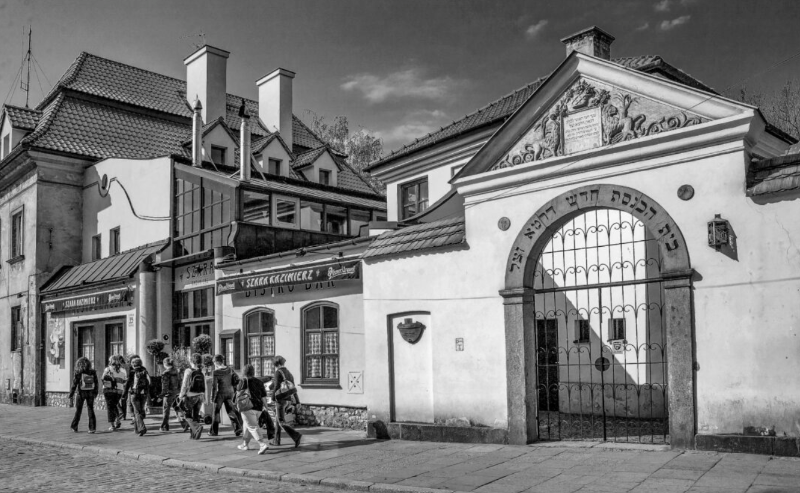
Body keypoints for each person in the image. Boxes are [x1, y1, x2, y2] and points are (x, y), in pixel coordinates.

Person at [235, 364, 270, 454]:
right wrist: (266, 407)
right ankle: (245, 444)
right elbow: (263, 396)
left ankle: (262, 444)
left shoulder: (243, 380)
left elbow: (238, 393)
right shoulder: (259, 382)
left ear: (244, 372)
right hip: (259, 407)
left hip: (247, 406)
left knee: (252, 426)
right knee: (247, 426)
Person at [271, 355, 302, 448]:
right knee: (277, 419)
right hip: (288, 399)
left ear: (275, 363)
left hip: (280, 399)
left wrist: (273, 397)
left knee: (281, 421)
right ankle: (276, 441)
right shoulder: (288, 373)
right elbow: (293, 388)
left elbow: (276, 386)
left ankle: (296, 436)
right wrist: (297, 401)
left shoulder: (278, 372)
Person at [209, 354, 243, 437]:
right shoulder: (230, 369)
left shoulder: (216, 372)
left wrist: (212, 397)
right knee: (231, 411)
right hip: (230, 392)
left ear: (216, 362)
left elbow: (214, 386)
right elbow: (237, 379)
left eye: (214, 362)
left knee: (216, 412)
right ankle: (237, 428)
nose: (214, 364)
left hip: (220, 394)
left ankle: (214, 431)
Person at [179, 353, 206, 440]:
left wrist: (181, 394)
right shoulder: (202, 370)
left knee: (187, 414)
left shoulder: (189, 370)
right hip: (200, 395)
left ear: (191, 361)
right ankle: (194, 434)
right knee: (196, 415)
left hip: (190, 395)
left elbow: (185, 383)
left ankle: (197, 427)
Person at [69, 356, 99, 434]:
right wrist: (95, 392)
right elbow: (96, 382)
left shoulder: (79, 372)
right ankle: (92, 428)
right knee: (91, 409)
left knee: (78, 411)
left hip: (81, 393)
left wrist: (71, 394)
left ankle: (74, 426)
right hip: (90, 393)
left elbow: (74, 383)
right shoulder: (93, 372)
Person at [158, 357, 188, 432]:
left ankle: (164, 426)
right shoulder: (176, 371)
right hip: (176, 393)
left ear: (165, 364)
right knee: (177, 408)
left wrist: (161, 396)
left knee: (166, 410)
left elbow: (164, 386)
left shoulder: (166, 373)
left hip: (168, 394)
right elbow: (180, 382)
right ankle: (184, 424)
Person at [125, 357, 150, 436]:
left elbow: (128, 383)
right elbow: (149, 382)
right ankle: (136, 429)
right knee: (140, 410)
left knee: (136, 411)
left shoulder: (132, 372)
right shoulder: (145, 371)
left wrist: (124, 394)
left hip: (134, 393)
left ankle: (142, 428)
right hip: (144, 394)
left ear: (133, 364)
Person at [101, 355, 127, 431]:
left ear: (110, 361)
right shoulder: (123, 370)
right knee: (115, 405)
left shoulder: (108, 369)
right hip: (119, 390)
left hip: (108, 390)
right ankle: (118, 420)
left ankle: (112, 425)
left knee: (110, 407)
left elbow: (103, 378)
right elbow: (125, 380)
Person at [117, 355, 128, 422]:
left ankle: (121, 412)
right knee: (124, 401)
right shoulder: (126, 366)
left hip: (120, 386)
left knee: (116, 400)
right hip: (125, 385)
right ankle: (124, 416)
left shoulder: (120, 368)